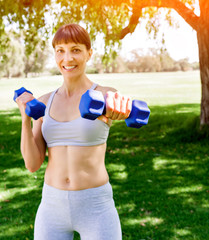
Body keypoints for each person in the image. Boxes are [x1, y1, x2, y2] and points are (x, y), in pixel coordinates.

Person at [15, 23, 132, 240]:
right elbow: (32, 164)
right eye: (60, 51)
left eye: (75, 50)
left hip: (96, 206)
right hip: (52, 206)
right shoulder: (45, 102)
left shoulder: (105, 96)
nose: (67, 59)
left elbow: (121, 105)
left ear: (89, 53)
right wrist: (25, 119)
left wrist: (120, 110)